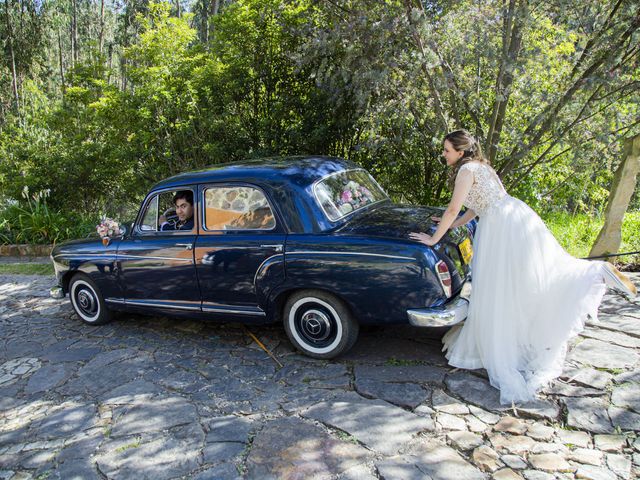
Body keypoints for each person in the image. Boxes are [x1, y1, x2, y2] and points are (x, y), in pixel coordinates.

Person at [409, 129, 637, 405]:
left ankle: (595, 273)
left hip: (501, 227)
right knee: (526, 280)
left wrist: (434, 237)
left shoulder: (465, 171)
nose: (443, 154)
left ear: (459, 152)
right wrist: (453, 225)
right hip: (514, 216)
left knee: (503, 284)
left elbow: (453, 209)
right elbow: (475, 207)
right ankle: (594, 272)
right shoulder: (481, 166)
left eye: (446, 150)